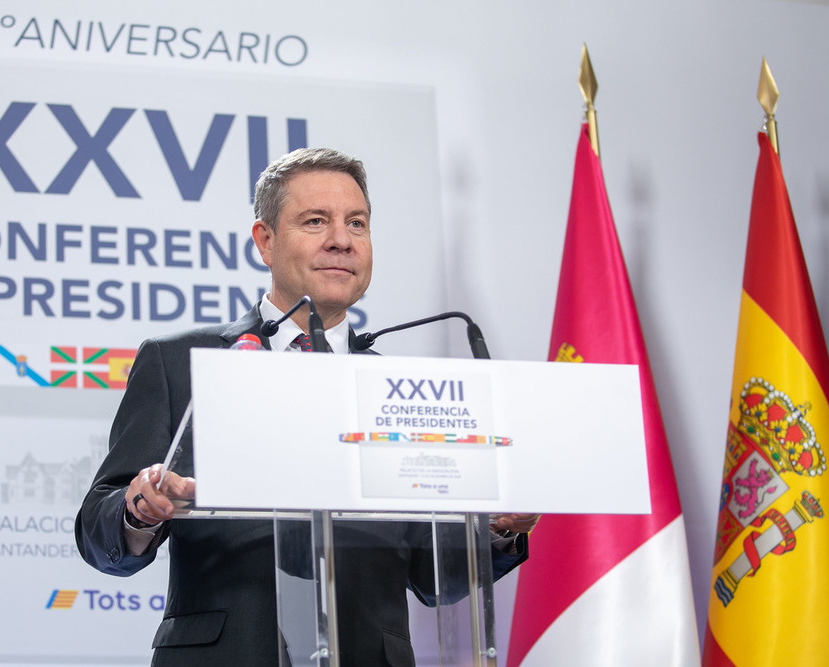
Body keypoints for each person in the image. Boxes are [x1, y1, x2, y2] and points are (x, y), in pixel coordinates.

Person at [75, 147, 540, 666]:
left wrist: (496, 529)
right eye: (316, 221)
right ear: (265, 241)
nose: (341, 240)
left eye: (356, 224)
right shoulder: (178, 362)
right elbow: (99, 529)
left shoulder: (401, 390)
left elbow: (433, 578)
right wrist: (140, 509)